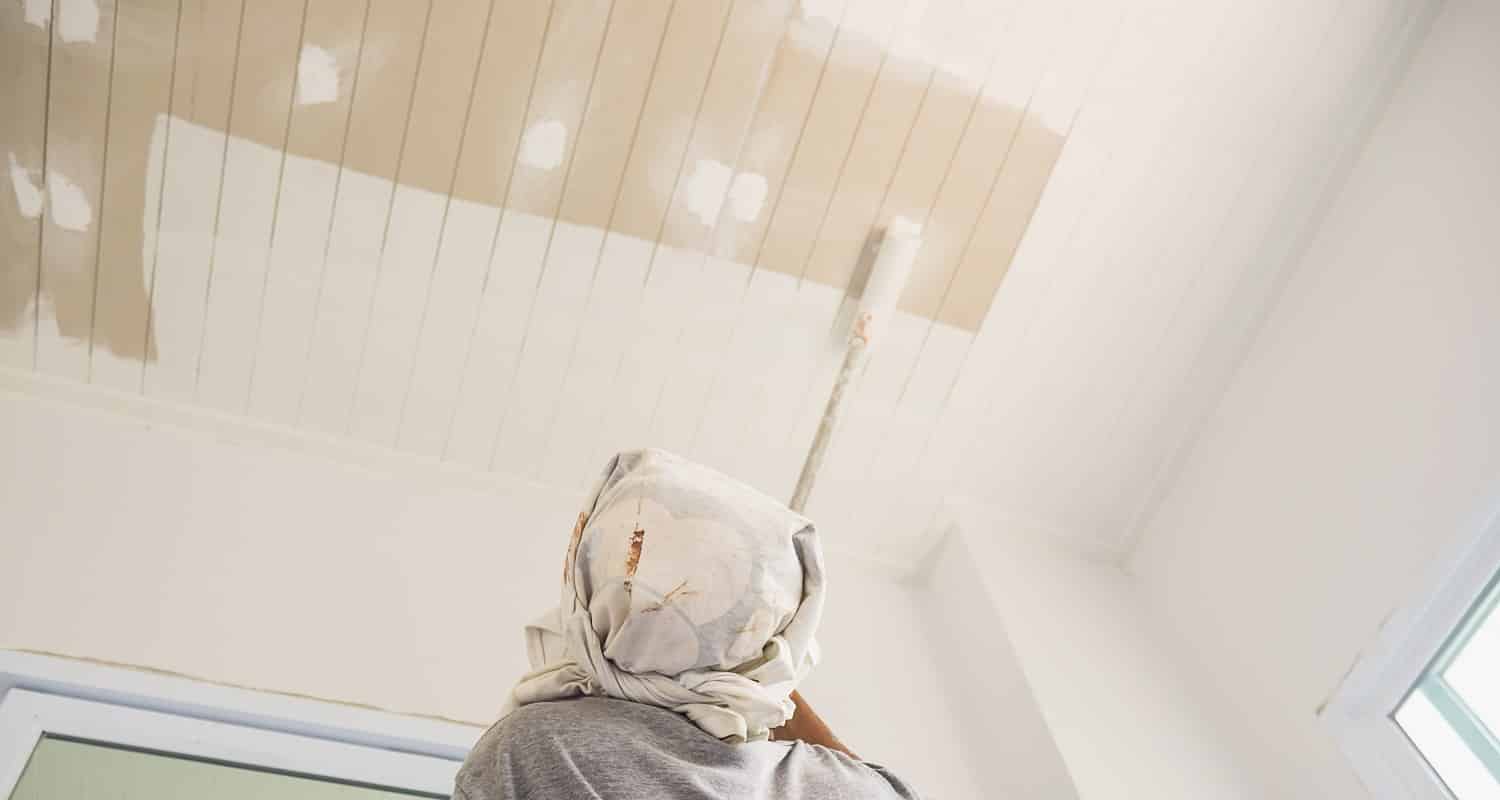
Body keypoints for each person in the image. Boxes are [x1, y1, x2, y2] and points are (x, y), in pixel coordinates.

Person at [452, 449, 922, 799]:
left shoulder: (532, 746)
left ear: (586, 584)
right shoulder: (825, 782)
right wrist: (764, 678)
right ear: (784, 629)